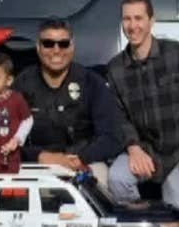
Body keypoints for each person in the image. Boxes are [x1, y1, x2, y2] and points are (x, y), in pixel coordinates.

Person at [106, 0, 179, 214]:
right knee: (117, 178)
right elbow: (118, 115)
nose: (133, 26)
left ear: (152, 21)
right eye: (127, 19)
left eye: (139, 18)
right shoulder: (115, 68)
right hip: (145, 150)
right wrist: (133, 148)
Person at [13, 18, 126, 187]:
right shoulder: (22, 84)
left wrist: (82, 158)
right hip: (35, 165)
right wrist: (40, 156)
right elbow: (4, 138)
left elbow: (113, 137)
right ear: (38, 47)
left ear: (72, 47)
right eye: (48, 44)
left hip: (85, 162)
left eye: (63, 44)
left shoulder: (92, 83)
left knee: (99, 183)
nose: (56, 50)